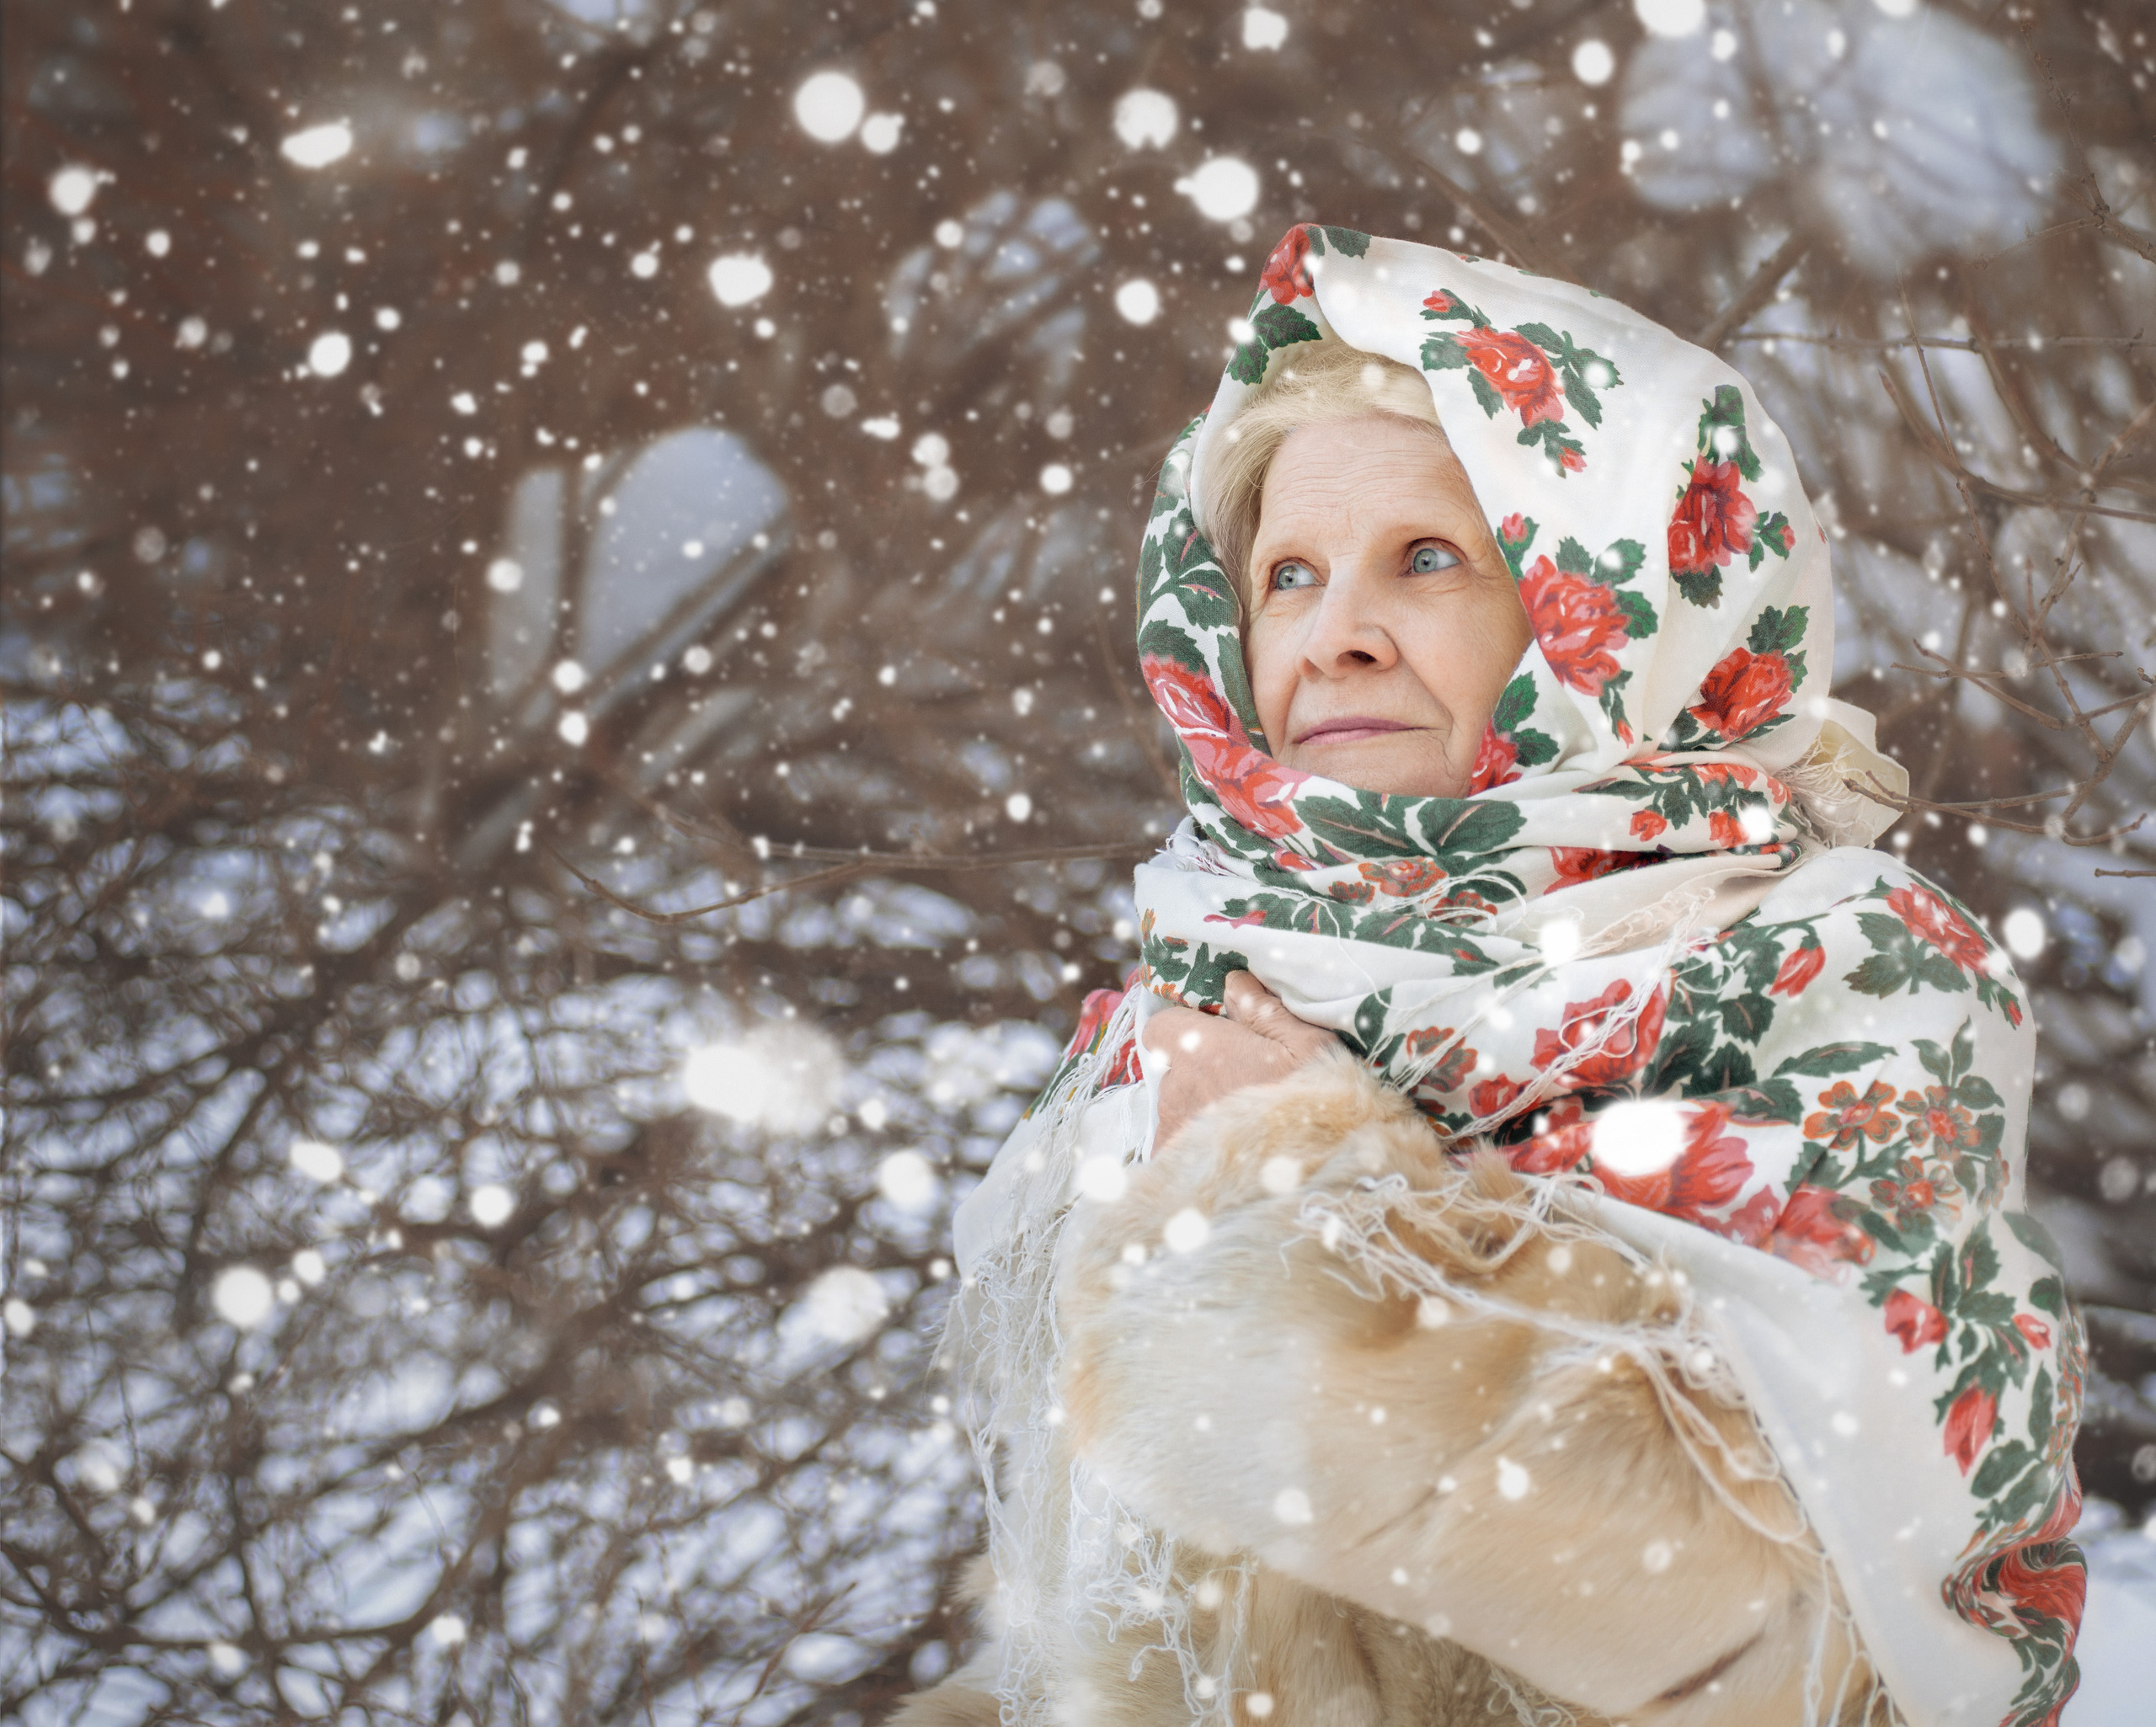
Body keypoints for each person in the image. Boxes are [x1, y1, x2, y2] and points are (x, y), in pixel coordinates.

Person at [894, 229, 2083, 1727]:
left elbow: (1757, 1644)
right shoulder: (1220, 975)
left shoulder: (1848, 974)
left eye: (1427, 559)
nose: (1334, 638)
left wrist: (1291, 1182)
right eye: (1288, 575)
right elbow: (1141, 1617)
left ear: (1615, 620)